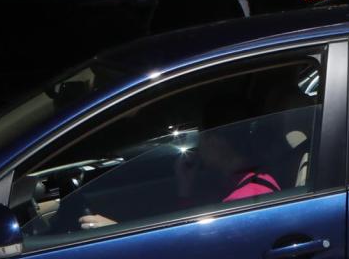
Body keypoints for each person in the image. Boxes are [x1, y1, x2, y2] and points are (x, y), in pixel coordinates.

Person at [78, 97, 279, 231]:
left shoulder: (246, 198)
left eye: (202, 135)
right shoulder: (229, 181)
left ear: (217, 141)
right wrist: (185, 187)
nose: (198, 145)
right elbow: (192, 229)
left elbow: (194, 251)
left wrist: (117, 233)